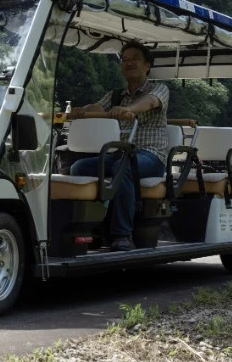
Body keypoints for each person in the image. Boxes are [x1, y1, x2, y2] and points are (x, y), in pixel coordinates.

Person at [68, 41, 169, 251]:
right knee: (80, 168)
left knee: (121, 168)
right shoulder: (115, 95)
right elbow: (98, 107)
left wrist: (129, 110)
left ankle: (123, 234)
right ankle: (91, 228)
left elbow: (150, 102)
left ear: (147, 65)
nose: (129, 63)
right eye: (125, 60)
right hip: (120, 154)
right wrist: (82, 110)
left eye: (135, 59)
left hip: (150, 155)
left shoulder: (159, 88)